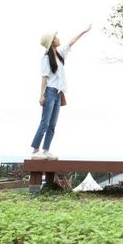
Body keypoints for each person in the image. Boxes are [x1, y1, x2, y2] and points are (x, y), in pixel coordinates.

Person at [30, 24, 91, 160]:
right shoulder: (46, 58)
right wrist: (41, 95)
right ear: (52, 42)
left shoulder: (60, 54)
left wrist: (83, 31)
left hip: (58, 93)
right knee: (45, 123)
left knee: (52, 125)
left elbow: (72, 42)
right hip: (50, 92)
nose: (58, 39)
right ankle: (35, 150)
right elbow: (44, 78)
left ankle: (45, 151)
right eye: (56, 37)